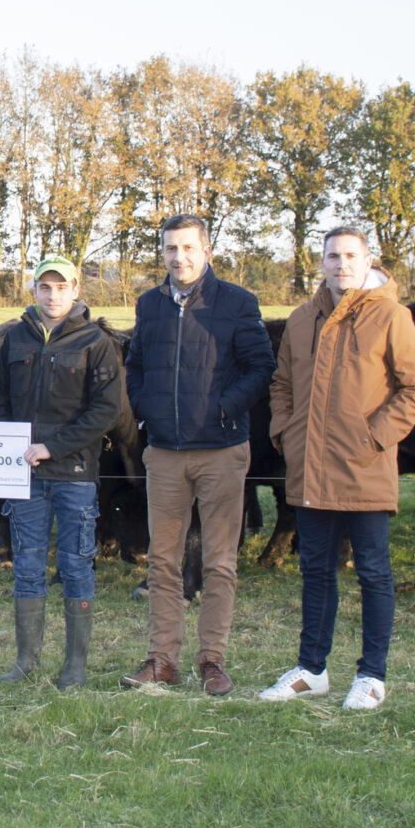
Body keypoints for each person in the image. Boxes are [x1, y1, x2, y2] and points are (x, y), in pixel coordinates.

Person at [261, 227, 415, 710]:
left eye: (351, 256)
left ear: (367, 261)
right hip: (311, 469)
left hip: (364, 468)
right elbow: (282, 383)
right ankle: (311, 669)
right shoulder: (301, 320)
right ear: (321, 262)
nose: (341, 264)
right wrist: (286, 434)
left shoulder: (390, 316)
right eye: (333, 256)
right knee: (315, 570)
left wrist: (374, 435)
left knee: (374, 573)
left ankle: (372, 676)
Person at [121, 215, 275, 695]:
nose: (178, 257)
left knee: (219, 562)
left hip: (221, 451)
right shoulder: (150, 305)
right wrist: (146, 413)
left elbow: (260, 368)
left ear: (207, 250)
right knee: (162, 561)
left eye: (188, 247)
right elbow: (136, 366)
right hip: (165, 453)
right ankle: (162, 659)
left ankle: (212, 660)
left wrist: (224, 409)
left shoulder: (237, 302)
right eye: (170, 248)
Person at [0, 256, 125, 689]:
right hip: (24, 476)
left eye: (61, 287)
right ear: (34, 290)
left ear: (74, 291)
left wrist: (54, 447)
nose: (53, 296)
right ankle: (26, 662)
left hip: (74, 474)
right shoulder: (15, 338)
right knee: (27, 567)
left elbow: (105, 410)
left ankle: (74, 666)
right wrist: (1, 449)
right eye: (44, 288)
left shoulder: (95, 342)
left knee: (75, 566)